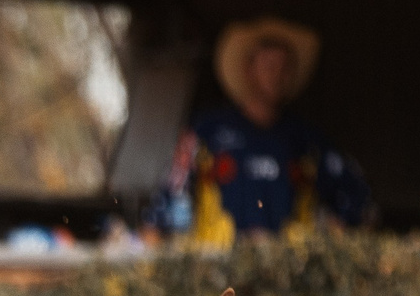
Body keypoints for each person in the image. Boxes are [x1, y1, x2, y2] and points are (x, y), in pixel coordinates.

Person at [155, 18, 374, 249]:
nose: (276, 75)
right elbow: (168, 200)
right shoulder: (207, 131)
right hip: (218, 270)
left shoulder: (307, 139)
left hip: (288, 273)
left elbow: (357, 199)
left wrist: (329, 236)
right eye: (269, 65)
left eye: (284, 67)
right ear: (249, 69)